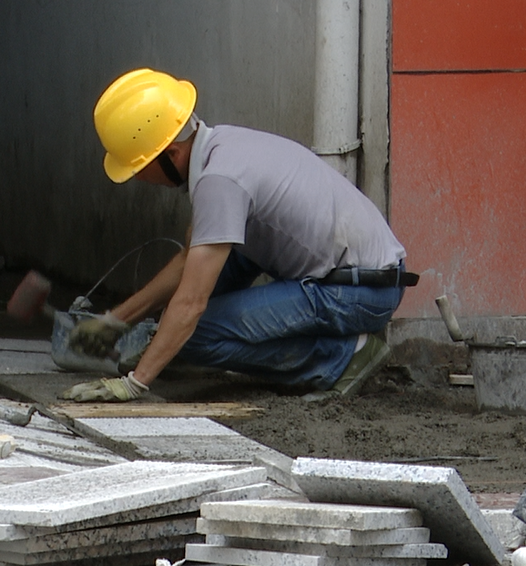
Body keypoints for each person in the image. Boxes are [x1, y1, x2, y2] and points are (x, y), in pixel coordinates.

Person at [60, 68, 415, 403]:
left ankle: (341, 356)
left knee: (192, 333)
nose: (138, 178)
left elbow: (191, 303)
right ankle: (175, 346)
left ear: (170, 153)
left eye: (138, 167)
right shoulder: (223, 146)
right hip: (361, 277)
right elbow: (188, 260)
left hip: (357, 293)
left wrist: (135, 383)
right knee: (202, 286)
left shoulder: (219, 182)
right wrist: (115, 322)